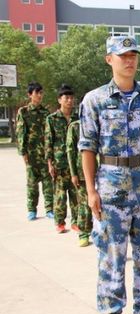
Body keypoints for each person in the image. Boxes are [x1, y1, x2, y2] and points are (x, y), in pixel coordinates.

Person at [78, 36, 140, 314]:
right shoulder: (95, 100)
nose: (129, 61)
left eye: (133, 55)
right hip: (111, 186)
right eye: (122, 56)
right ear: (109, 59)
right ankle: (112, 313)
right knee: (112, 252)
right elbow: (87, 147)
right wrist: (91, 190)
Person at [15, 82, 54, 221]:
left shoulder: (46, 113)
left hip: (44, 154)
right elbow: (21, 133)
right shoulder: (23, 112)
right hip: (31, 154)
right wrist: (23, 152)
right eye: (37, 93)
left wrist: (51, 153)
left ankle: (50, 209)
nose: (39, 95)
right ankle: (32, 210)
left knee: (48, 183)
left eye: (41, 93)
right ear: (30, 95)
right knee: (32, 183)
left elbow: (50, 134)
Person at [45, 84, 79, 233]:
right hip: (59, 163)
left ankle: (76, 221)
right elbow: (48, 142)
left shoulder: (77, 118)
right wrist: (49, 164)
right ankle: (59, 222)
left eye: (71, 98)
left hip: (75, 163)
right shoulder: (52, 119)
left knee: (76, 195)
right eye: (66, 98)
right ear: (60, 100)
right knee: (59, 195)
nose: (69, 101)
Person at [66, 117, 93, 247]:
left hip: (104, 172)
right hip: (83, 172)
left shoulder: (103, 121)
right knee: (84, 205)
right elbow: (70, 150)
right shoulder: (76, 126)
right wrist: (73, 173)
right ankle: (83, 233)